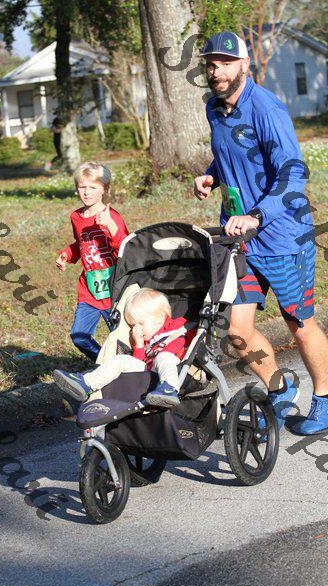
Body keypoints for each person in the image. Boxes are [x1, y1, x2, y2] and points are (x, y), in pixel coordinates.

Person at [193, 31, 328, 435]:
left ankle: (325, 399)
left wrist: (256, 214)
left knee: (299, 323)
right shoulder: (214, 108)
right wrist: (212, 175)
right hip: (242, 241)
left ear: (244, 65)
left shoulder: (267, 109)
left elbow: (292, 173)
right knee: (237, 331)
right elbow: (228, 153)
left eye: (225, 63)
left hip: (284, 237)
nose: (217, 71)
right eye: (211, 64)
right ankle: (280, 388)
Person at [53, 288, 197, 407]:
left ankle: (169, 390)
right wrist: (139, 345)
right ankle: (86, 383)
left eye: (141, 323)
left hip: (176, 368)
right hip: (149, 371)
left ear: (159, 318)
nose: (136, 329)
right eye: (133, 325)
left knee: (164, 357)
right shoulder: (147, 342)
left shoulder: (180, 326)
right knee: (120, 360)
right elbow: (138, 363)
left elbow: (194, 337)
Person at [56, 161, 129, 362]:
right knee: (79, 336)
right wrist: (67, 254)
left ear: (104, 189)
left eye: (93, 187)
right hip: (89, 290)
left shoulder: (112, 217)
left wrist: (111, 227)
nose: (87, 192)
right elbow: (80, 243)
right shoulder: (76, 217)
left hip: (114, 289)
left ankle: (133, 370)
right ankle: (104, 365)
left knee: (123, 340)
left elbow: (127, 248)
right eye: (82, 187)